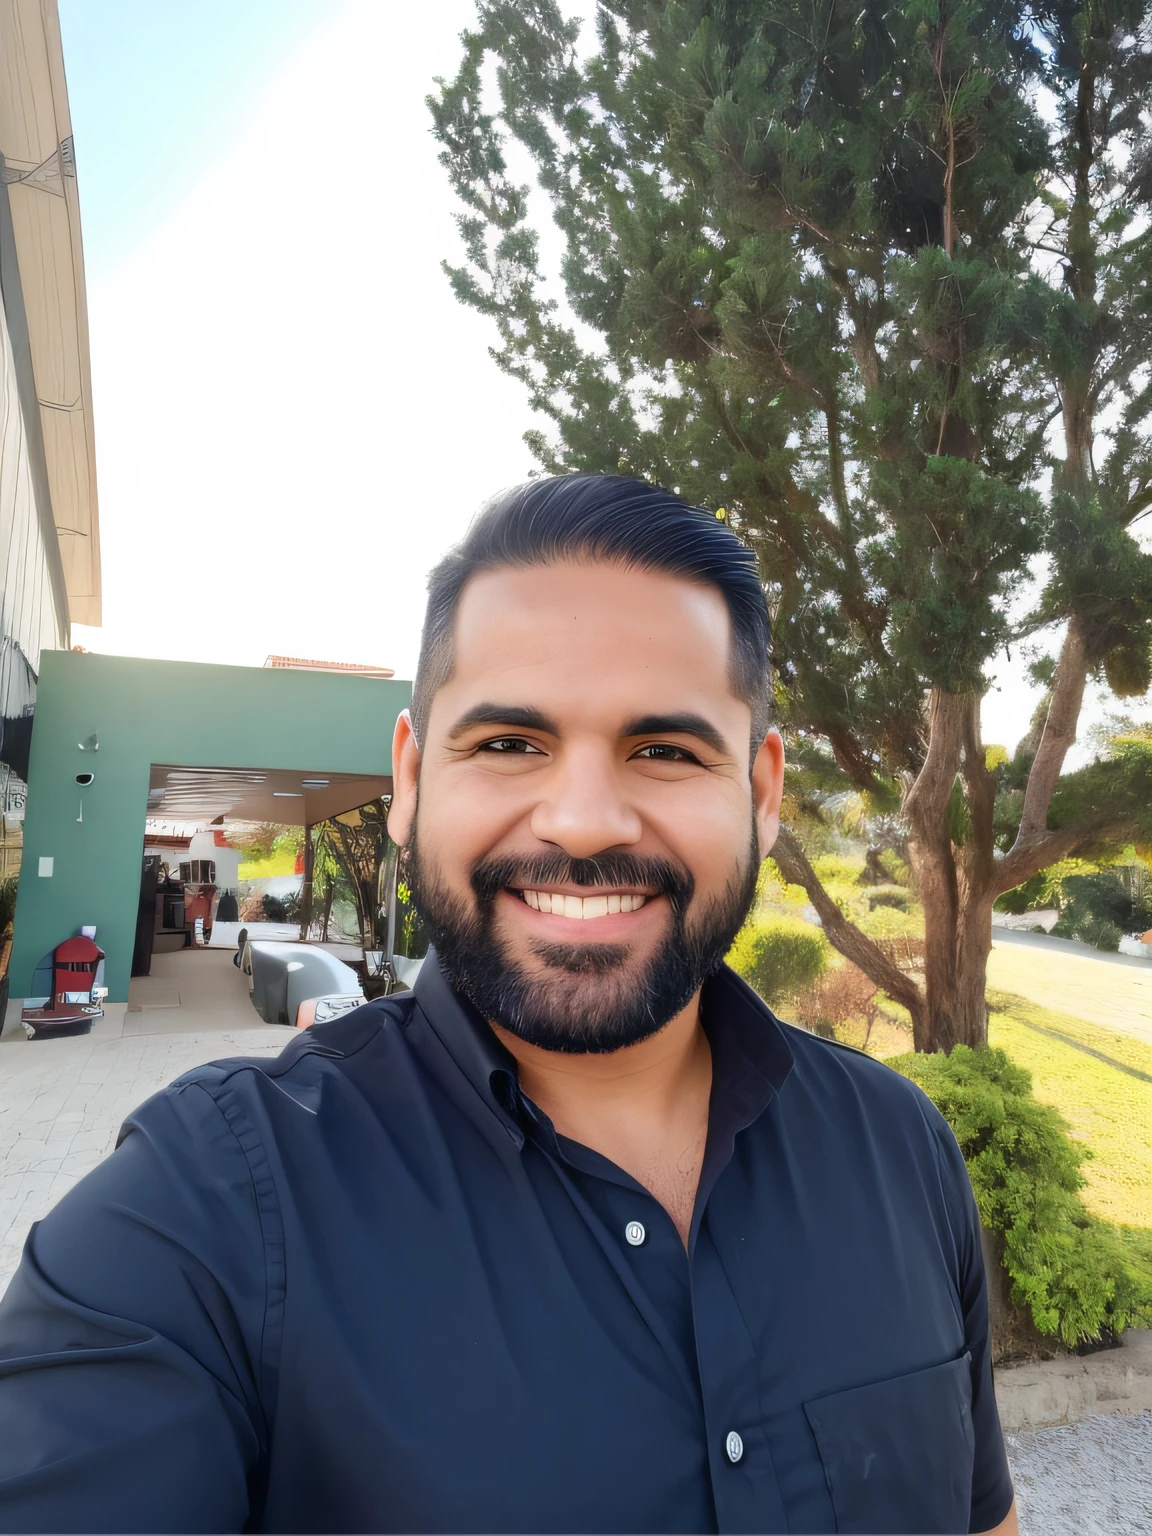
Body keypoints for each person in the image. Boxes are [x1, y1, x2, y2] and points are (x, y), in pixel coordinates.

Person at [0, 476, 1017, 1535]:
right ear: (409, 776)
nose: (581, 822)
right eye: (508, 744)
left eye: (664, 750)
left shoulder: (901, 1150)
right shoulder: (202, 1216)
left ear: (762, 795)